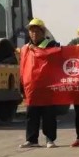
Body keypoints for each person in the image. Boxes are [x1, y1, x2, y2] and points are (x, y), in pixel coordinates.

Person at [19, 18, 61, 149]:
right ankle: (32, 139)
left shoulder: (51, 45)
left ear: (43, 32)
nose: (34, 34)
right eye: (31, 31)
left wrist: (36, 50)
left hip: (47, 86)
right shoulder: (25, 48)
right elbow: (22, 67)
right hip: (31, 87)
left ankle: (50, 139)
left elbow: (55, 56)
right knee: (32, 114)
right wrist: (21, 85)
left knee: (48, 114)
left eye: (37, 31)